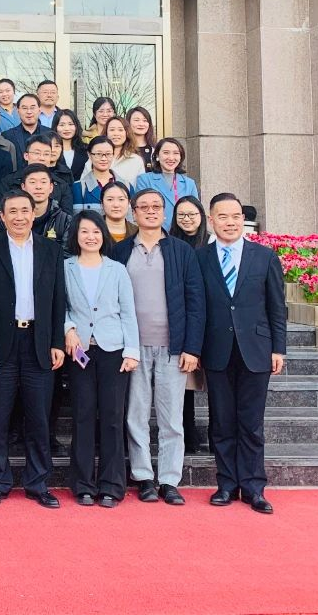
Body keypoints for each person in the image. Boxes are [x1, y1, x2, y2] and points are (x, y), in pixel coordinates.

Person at [112, 188, 205, 506]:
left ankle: (169, 480)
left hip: (173, 348)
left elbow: (196, 301)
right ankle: (143, 477)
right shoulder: (121, 250)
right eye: (144, 207)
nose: (150, 211)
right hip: (133, 348)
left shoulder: (181, 251)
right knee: (135, 416)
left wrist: (192, 348)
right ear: (133, 212)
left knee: (171, 419)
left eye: (156, 206)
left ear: (164, 213)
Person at [0, 190, 66, 508]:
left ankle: (37, 482)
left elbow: (58, 299)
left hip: (38, 341)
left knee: (39, 417)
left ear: (34, 213)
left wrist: (57, 342)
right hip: (1, 343)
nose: (19, 217)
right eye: (12, 211)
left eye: (24, 210)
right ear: (1, 216)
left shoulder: (51, 250)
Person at [199, 193, 287, 515]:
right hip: (216, 349)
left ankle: (253, 487)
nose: (230, 222)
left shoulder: (264, 256)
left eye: (236, 216)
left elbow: (277, 307)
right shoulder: (200, 257)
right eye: (223, 217)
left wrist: (278, 348)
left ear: (243, 220)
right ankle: (226, 484)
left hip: (257, 350)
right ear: (212, 220)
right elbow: (197, 307)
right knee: (222, 422)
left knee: (251, 423)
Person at [63, 211, 140, 507]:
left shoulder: (116, 270)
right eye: (84, 231)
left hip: (114, 350)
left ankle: (111, 485)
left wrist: (131, 351)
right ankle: (83, 484)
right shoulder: (65, 267)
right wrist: (68, 329)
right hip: (79, 351)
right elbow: (60, 306)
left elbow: (128, 312)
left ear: (103, 235)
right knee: (82, 415)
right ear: (76, 235)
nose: (90, 237)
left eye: (96, 231)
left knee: (112, 417)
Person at [170, 194, 210, 454]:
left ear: (201, 216)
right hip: (183, 319)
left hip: (211, 321)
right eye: (181, 215)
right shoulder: (169, 244)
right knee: (184, 385)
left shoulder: (211, 243)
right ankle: (188, 434)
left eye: (192, 214)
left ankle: (217, 437)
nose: (187, 219)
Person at [135, 138, 200, 213]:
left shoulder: (189, 183)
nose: (171, 158)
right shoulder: (144, 180)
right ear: (157, 155)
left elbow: (195, 212)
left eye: (176, 153)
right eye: (166, 153)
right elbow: (141, 210)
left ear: (180, 157)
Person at [21, 163, 72, 243]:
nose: (38, 187)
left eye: (43, 182)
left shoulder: (64, 221)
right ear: (23, 187)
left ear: (51, 187)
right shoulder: (13, 218)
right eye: (33, 182)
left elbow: (66, 250)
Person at [72, 135, 121, 212]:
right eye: (98, 154)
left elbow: (130, 217)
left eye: (108, 154)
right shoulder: (79, 187)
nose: (104, 158)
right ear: (89, 155)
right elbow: (77, 217)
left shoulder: (126, 185)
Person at [104, 116, 147, 187]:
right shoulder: (95, 157)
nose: (116, 133)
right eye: (112, 130)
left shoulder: (136, 160)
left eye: (120, 130)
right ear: (106, 133)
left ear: (127, 133)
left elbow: (141, 189)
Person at [2, 93, 44, 162]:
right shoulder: (7, 136)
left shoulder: (50, 134)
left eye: (32, 108)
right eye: (24, 108)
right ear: (18, 111)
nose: (29, 112)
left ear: (39, 110)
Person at [56, 109, 88, 183]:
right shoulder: (50, 150)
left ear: (76, 126)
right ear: (55, 127)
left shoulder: (86, 150)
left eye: (70, 124)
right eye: (62, 125)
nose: (67, 129)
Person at [127, 106, 157, 172]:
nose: (141, 124)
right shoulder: (123, 148)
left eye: (145, 120)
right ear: (128, 123)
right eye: (136, 120)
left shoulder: (155, 149)